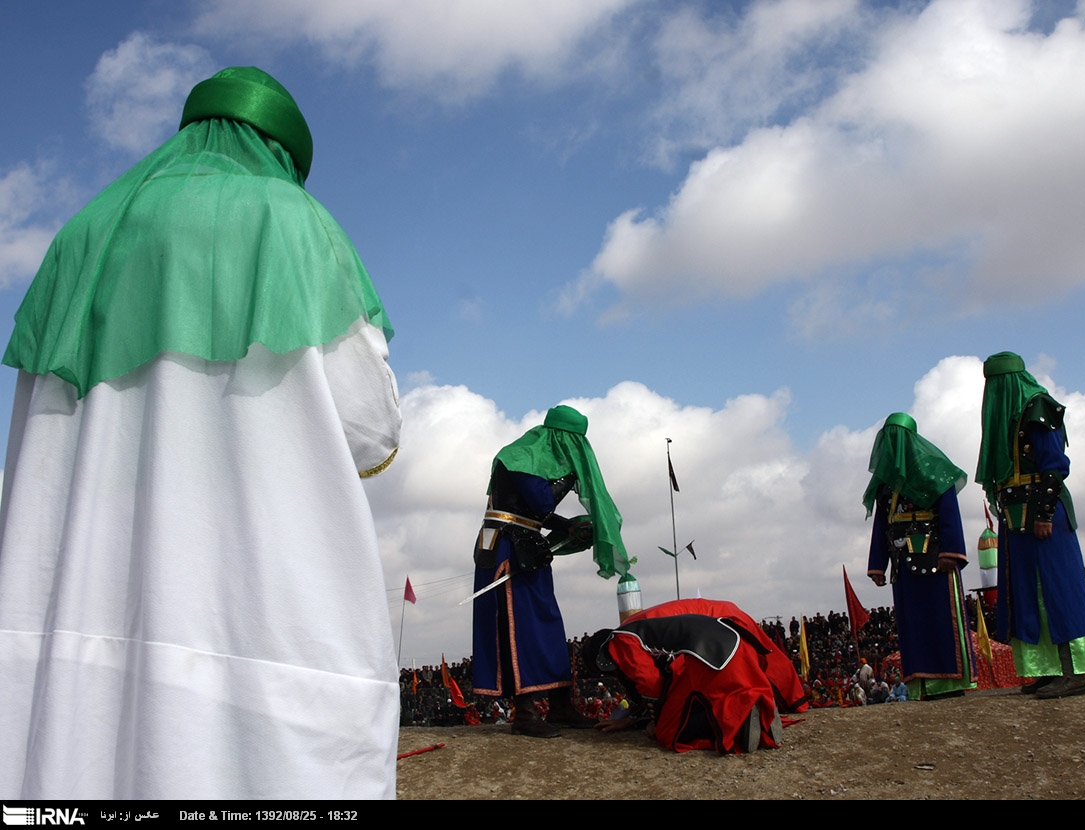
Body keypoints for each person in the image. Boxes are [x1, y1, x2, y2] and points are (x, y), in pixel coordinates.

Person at [0, 68, 402, 799]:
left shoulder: (74, 240)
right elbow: (371, 431)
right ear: (282, 151)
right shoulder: (292, 221)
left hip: (74, 618)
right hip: (255, 615)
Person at [472, 405, 628, 737]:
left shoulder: (533, 459)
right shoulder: (521, 457)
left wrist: (567, 527)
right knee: (523, 628)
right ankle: (526, 714)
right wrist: (571, 476)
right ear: (560, 438)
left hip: (526, 546)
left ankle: (560, 706)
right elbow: (541, 502)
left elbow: (533, 511)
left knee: (548, 626)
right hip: (507, 550)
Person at [976, 352, 1085, 699]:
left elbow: (1055, 466)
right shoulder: (1006, 421)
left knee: (1056, 589)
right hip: (1016, 520)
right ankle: (1046, 670)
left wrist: (1044, 513)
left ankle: (1073, 671)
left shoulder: (1037, 407)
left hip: (1044, 516)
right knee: (1027, 592)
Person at [586, 598, 809, 754]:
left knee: (668, 732)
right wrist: (635, 718)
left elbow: (651, 685)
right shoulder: (636, 627)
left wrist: (655, 723)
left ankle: (740, 725)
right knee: (739, 685)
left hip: (714, 632)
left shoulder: (621, 640)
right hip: (724, 628)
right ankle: (764, 709)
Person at [864, 413, 977, 700]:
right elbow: (883, 523)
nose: (891, 444)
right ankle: (921, 684)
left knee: (941, 618)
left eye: (896, 436)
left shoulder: (935, 469)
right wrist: (878, 564)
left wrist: (951, 551)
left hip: (935, 557)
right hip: (901, 562)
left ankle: (948, 684)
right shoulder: (886, 482)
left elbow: (950, 511)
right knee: (911, 626)